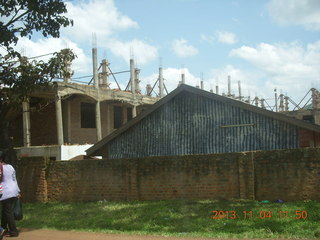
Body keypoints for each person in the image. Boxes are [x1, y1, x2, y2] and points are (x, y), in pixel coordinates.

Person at [0, 151, 20, 237]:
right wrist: (18, 191)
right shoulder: (10, 167)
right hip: (13, 191)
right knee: (6, 210)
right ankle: (3, 228)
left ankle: (13, 231)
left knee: (8, 212)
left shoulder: (1, 168)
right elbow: (14, 179)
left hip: (6, 192)